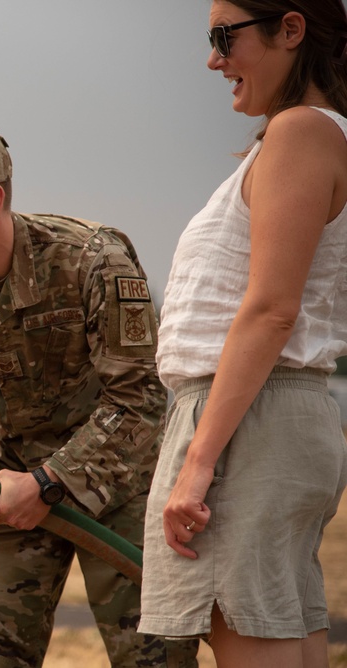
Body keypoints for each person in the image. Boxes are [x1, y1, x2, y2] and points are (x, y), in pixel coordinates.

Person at [0, 120, 200, 667]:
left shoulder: (94, 260)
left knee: (155, 658)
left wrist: (49, 482)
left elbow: (139, 402)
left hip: (123, 484)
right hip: (5, 481)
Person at [139, 2, 347, 667]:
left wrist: (199, 462)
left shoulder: (301, 132)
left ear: (291, 30)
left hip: (250, 420)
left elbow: (270, 310)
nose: (212, 58)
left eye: (224, 37)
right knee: (286, 639)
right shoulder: (307, 134)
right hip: (271, 414)